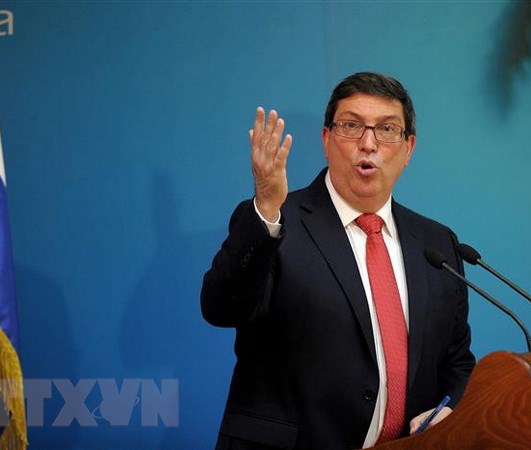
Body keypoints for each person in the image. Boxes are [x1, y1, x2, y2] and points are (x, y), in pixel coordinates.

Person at [201, 72, 475, 450]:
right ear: (326, 139)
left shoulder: (437, 244)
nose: (368, 143)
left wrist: (452, 408)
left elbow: (457, 363)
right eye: (351, 126)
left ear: (408, 148)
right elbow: (221, 308)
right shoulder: (277, 222)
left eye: (387, 129)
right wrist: (265, 208)